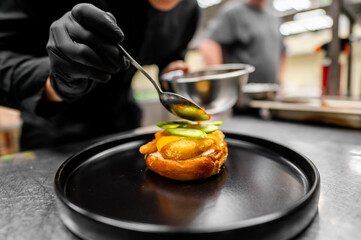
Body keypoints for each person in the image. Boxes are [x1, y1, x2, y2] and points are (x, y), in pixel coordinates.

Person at [0, 0, 200, 150]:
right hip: (56, 139)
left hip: (125, 129)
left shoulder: (189, 9)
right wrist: (56, 80)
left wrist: (171, 76)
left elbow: (171, 56)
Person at [199, 0, 285, 85]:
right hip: (241, 91)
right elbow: (209, 44)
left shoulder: (274, 18)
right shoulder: (234, 12)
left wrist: (279, 82)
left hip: (269, 90)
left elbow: (283, 51)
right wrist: (218, 84)